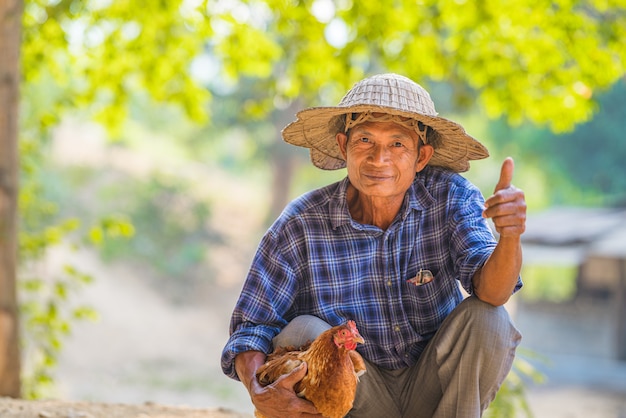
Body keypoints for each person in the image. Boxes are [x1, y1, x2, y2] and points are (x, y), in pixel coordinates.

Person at [221, 73, 526, 418]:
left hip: (435, 390)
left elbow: (494, 292)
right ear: (343, 146)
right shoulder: (301, 222)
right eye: (365, 140)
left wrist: (510, 235)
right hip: (353, 398)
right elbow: (251, 327)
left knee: (489, 318)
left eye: (397, 144)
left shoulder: (450, 196)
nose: (379, 159)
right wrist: (260, 393)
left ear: (421, 157)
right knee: (302, 331)